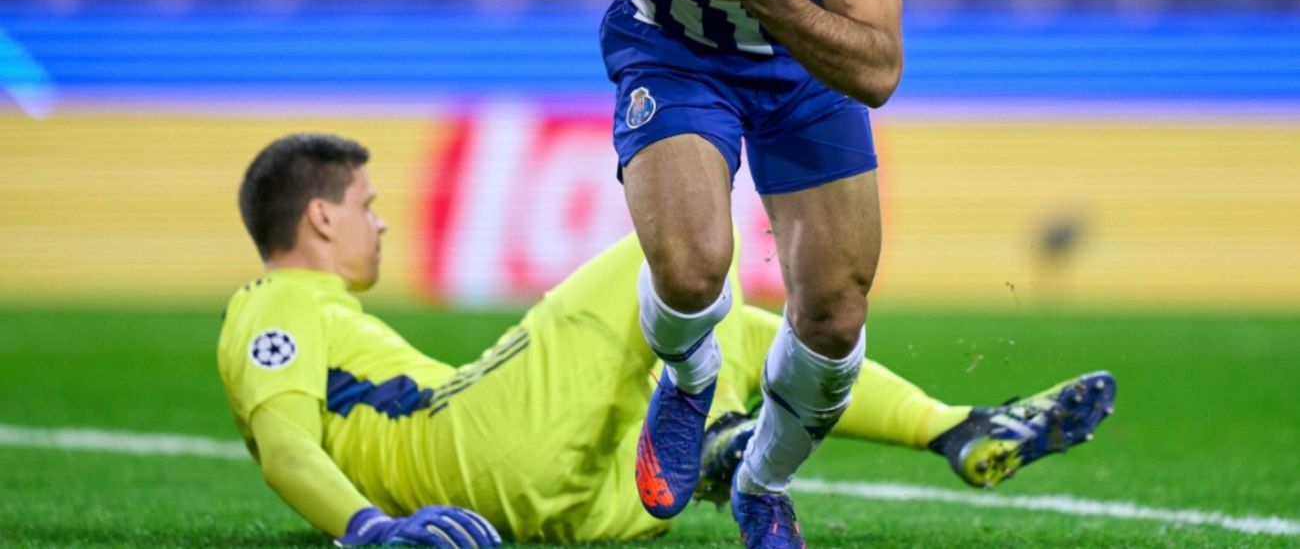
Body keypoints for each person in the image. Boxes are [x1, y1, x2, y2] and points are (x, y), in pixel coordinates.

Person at [217, 133, 1117, 547]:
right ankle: (723, 427)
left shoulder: (327, 319)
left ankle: (951, 429)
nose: (382, 224)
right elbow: (286, 446)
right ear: (321, 218)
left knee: (732, 336)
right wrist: (370, 531)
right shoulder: (272, 305)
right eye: (367, 208)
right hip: (468, 450)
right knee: (662, 262)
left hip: (544, 512)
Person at [445, 0, 904, 546]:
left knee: (835, 314)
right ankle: (690, 380)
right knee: (692, 270)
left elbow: (879, 70)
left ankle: (762, 484)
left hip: (803, 70)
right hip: (673, 53)